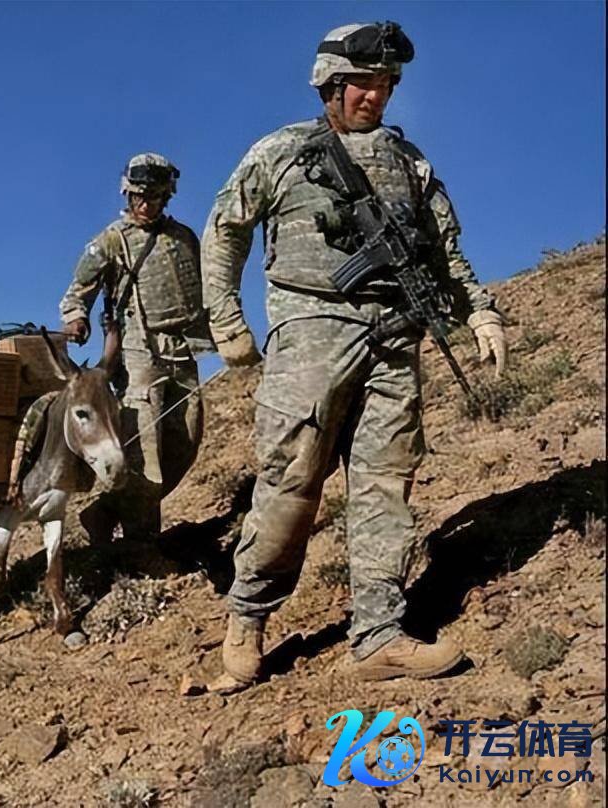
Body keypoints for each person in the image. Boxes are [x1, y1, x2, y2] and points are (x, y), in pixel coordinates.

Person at [201, 21, 508, 691]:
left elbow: (445, 250)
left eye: (386, 84)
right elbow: (225, 231)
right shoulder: (281, 151)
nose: (376, 96)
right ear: (331, 85)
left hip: (395, 338)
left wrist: (481, 310)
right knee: (290, 486)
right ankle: (247, 622)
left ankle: (378, 635)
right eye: (363, 83)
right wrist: (225, 319)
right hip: (311, 334)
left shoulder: (409, 163)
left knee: (384, 486)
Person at [59, 153, 209, 543]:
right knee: (145, 449)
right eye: (138, 196)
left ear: (167, 196)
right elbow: (76, 294)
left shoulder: (185, 238)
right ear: (128, 194)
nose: (144, 204)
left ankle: (106, 511)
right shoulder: (111, 241)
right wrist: (76, 318)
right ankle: (140, 543)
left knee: (186, 441)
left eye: (153, 196)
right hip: (139, 351)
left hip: (184, 349)